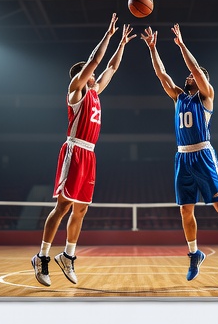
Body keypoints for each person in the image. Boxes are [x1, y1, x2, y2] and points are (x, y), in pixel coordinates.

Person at [143, 24, 218, 281]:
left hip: (203, 154)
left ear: (202, 80)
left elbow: (195, 68)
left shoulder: (206, 96)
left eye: (193, 76)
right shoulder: (179, 97)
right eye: (189, 76)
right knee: (185, 210)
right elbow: (161, 74)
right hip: (182, 156)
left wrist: (181, 45)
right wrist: (153, 48)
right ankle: (194, 254)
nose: (188, 77)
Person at [31, 15, 135, 287]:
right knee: (63, 206)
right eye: (88, 73)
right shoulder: (75, 92)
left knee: (81, 210)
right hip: (74, 150)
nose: (92, 76)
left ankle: (68, 255)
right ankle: (41, 256)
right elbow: (96, 62)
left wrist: (121, 43)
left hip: (90, 154)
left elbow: (111, 66)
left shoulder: (96, 91)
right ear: (81, 75)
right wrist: (109, 35)